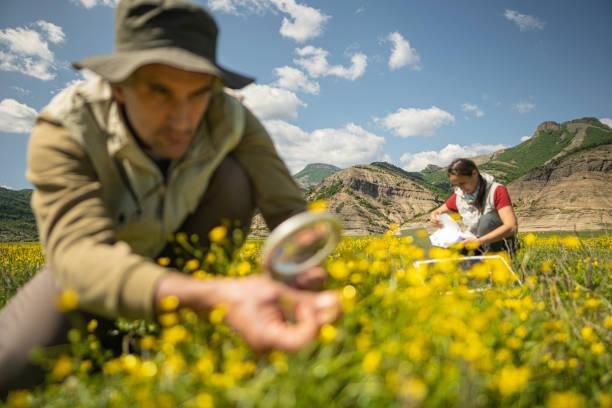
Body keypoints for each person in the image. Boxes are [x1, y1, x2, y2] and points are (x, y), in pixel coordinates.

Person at [0, 0, 339, 395]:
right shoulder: (66, 128)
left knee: (236, 176)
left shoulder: (232, 119)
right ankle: (133, 345)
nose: (182, 119)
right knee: (11, 369)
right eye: (159, 91)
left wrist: (301, 266)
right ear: (119, 87)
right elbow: (78, 255)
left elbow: (288, 209)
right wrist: (217, 298)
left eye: (198, 94)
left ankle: (175, 334)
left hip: (187, 263)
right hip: (95, 270)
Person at [429, 158, 519, 254]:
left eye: (462, 183)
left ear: (474, 173)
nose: (461, 189)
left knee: (487, 220)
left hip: (497, 244)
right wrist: (434, 216)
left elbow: (511, 226)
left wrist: (478, 241)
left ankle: (495, 258)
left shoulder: (497, 190)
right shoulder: (460, 195)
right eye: (457, 185)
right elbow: (438, 211)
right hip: (473, 241)